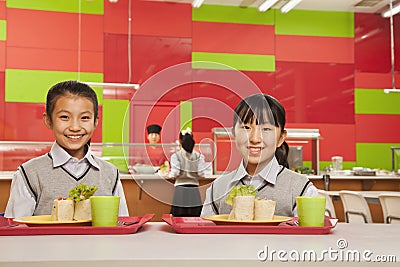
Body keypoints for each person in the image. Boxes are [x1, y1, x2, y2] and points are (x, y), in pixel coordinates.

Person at [4, 80, 129, 218]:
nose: (75, 127)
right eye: (65, 117)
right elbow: (15, 230)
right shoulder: (29, 174)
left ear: (95, 122)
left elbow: (122, 223)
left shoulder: (110, 173)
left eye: (85, 117)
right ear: (48, 121)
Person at [200, 94, 318, 217]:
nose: (255, 138)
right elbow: (205, 234)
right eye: (246, 127)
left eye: (266, 129)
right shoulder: (217, 189)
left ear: (281, 138)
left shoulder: (302, 189)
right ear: (233, 133)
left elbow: (311, 235)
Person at [169, 128, 206, 217]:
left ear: (180, 141)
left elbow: (175, 173)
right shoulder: (199, 156)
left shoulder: (175, 156)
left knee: (179, 217)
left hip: (180, 189)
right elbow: (201, 173)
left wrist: (169, 175)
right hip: (194, 189)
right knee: (194, 217)